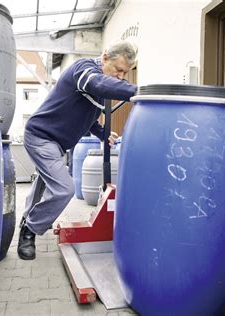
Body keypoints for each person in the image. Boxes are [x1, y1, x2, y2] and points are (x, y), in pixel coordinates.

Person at [18, 41, 138, 260]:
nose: (121, 76)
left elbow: (89, 117)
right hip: (40, 135)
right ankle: (30, 229)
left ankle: (28, 217)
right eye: (118, 70)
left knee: (44, 182)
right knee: (64, 188)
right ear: (104, 58)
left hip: (57, 143)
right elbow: (96, 84)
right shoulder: (83, 70)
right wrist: (140, 92)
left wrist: (102, 134)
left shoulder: (99, 89)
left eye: (125, 73)